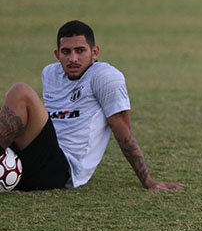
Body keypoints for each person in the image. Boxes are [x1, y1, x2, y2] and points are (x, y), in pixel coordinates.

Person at [0, 20, 185, 191]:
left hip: (61, 169)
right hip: (35, 160)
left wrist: (148, 181)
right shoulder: (50, 73)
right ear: (57, 54)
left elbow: (123, 130)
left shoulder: (105, 77)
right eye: (66, 52)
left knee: (21, 92)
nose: (73, 58)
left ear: (94, 52)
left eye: (80, 51)